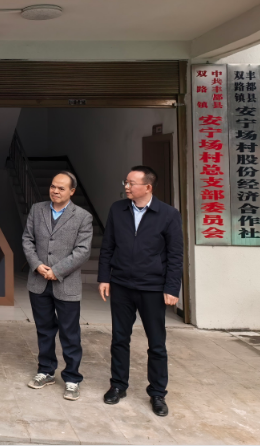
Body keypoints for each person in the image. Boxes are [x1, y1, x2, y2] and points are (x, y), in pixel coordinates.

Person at [98, 166, 183, 417]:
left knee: (156, 343)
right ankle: (118, 385)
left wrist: (171, 287)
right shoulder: (117, 209)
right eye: (125, 182)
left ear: (148, 187)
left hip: (152, 288)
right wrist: (104, 277)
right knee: (119, 339)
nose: (126, 187)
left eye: (131, 183)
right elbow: (107, 245)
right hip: (121, 285)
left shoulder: (168, 214)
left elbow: (175, 254)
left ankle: (157, 393)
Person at [22, 171, 93, 401]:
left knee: (70, 333)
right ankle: (46, 370)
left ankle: (72, 378)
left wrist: (57, 270)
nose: (55, 191)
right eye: (53, 186)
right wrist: (36, 265)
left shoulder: (83, 216)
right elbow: (27, 239)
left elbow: (83, 251)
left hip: (66, 283)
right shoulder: (37, 209)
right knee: (44, 330)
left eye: (61, 188)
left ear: (72, 191)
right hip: (38, 281)